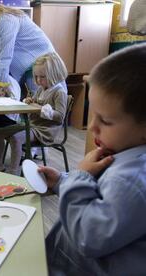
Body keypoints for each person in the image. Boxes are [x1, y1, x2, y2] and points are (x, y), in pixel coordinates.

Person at [41, 44, 146, 275]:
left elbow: (89, 236)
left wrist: (80, 176)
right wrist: (62, 181)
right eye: (93, 114)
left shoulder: (131, 180)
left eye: (106, 120)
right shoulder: (124, 154)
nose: (92, 126)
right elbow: (101, 194)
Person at [0, 0, 67, 161]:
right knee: (27, 107)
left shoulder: (6, 19)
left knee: (38, 109)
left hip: (40, 65)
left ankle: (35, 149)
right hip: (23, 66)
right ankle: (24, 146)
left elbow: (5, 57)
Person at [0, 52, 67, 174]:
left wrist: (49, 112)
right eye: (36, 76)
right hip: (32, 126)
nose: (38, 80)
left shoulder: (59, 92)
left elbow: (60, 117)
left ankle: (13, 171)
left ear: (54, 74)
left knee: (16, 138)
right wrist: (30, 100)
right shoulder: (42, 89)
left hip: (44, 131)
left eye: (42, 77)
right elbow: (35, 101)